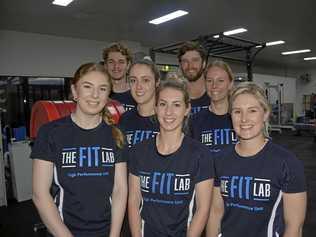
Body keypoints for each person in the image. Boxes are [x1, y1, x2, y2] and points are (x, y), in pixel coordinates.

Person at [31, 63, 128, 237]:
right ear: (75, 91)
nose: (95, 95)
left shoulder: (116, 135)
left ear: (108, 95)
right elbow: (40, 194)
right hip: (63, 231)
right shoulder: (50, 132)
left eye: (102, 88)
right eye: (87, 87)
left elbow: (120, 190)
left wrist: (114, 235)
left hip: (107, 231)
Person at [207, 82, 307, 237]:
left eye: (252, 111)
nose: (244, 119)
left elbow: (294, 226)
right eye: (237, 112)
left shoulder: (287, 163)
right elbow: (215, 213)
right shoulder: (220, 159)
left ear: (265, 114)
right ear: (230, 115)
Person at [128, 79, 214, 237]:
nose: (168, 112)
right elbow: (134, 202)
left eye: (176, 105)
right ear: (155, 107)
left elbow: (203, 209)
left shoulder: (200, 154)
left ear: (187, 109)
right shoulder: (139, 151)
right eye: (163, 104)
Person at [190, 60, 238, 153]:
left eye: (220, 81)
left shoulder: (241, 118)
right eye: (209, 81)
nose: (214, 86)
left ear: (230, 84)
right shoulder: (195, 121)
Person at [119, 59, 160, 148]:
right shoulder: (124, 119)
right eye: (133, 80)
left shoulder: (167, 118)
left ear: (157, 82)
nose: (138, 86)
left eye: (145, 80)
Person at [103, 42, 136, 111]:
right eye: (111, 62)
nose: (116, 66)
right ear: (105, 65)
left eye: (121, 62)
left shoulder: (137, 94)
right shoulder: (99, 93)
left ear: (128, 65)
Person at [178, 41, 209, 114]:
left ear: (204, 63)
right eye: (185, 61)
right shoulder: (176, 96)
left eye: (195, 60)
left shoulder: (216, 94)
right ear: (180, 65)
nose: (190, 66)